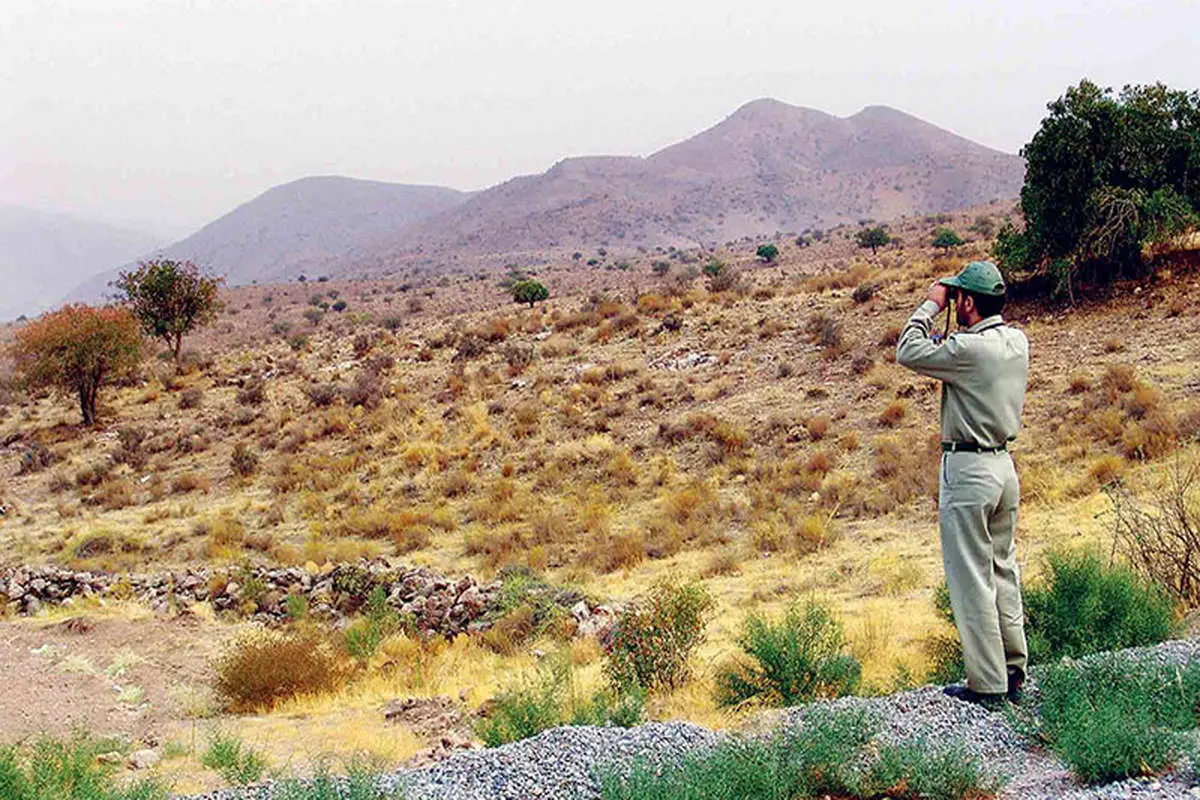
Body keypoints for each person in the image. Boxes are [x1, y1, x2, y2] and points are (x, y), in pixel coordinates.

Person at [895, 260, 1029, 707]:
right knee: (1002, 569)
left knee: (971, 577)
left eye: (959, 298)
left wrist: (931, 305)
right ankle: (1012, 668)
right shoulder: (1015, 341)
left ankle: (986, 684)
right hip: (1004, 467)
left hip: (969, 471)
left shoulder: (968, 349)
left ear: (968, 302)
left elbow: (907, 350)